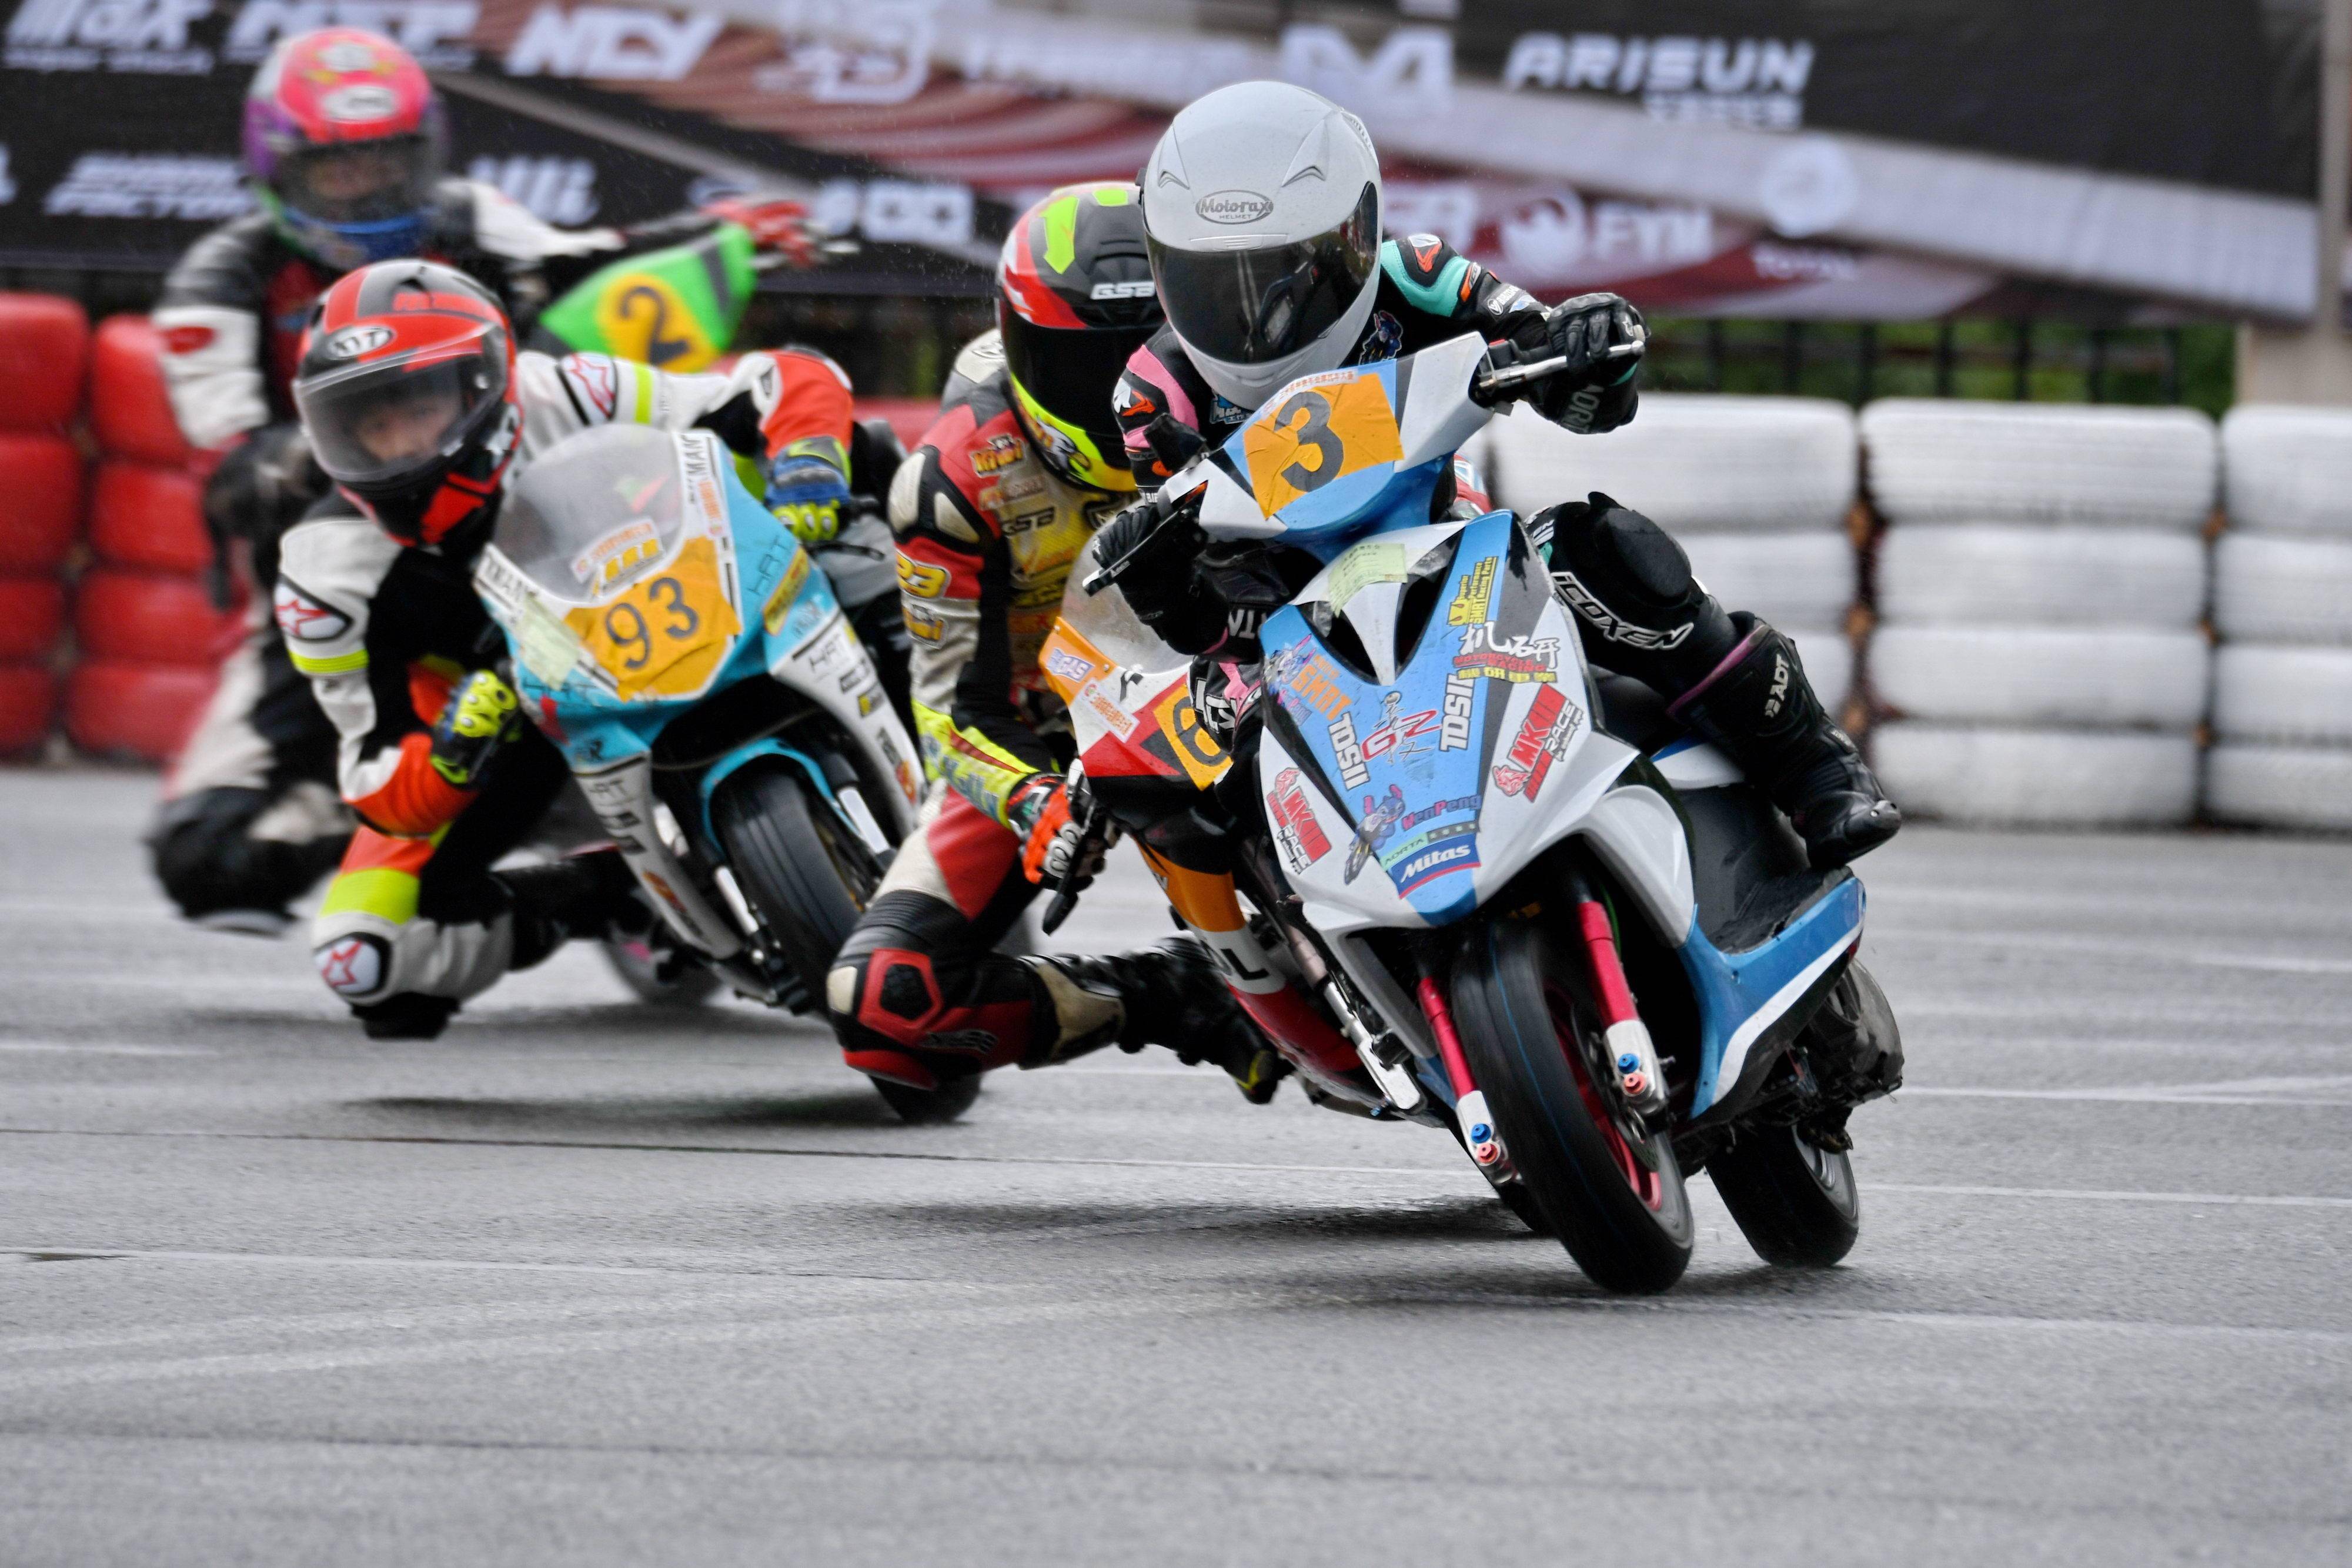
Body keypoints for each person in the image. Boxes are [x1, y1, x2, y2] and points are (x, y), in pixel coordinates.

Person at [1106, 81, 1899, 871]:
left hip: (1449, 554)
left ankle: (1817, 767)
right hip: (1288, 616)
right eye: (1211, 284)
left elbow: (1578, 387)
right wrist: (1166, 590)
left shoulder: (1418, 275)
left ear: (1352, 238)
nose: (1250, 316)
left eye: (1283, 277)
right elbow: (1210, 607)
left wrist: (1590, 345)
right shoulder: (1152, 396)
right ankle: (1289, 939)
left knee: (1609, 556)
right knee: (1218, 757)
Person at [148, 24, 825, 934]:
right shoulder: (220, 282)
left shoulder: (468, 217)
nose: (368, 189)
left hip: (527, 516)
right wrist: (356, 439)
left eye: (388, 163)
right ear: (278, 171)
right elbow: (230, 477)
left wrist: (716, 234)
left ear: (425, 155)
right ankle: (585, 889)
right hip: (353, 576)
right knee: (211, 859)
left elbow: (591, 260)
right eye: (338, 170)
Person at [280, 258, 877, 1039]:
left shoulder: (566, 392)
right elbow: (373, 777)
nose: (398, 447)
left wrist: (806, 467)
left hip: (692, 591)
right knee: (367, 957)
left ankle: (973, 695)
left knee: (872, 457)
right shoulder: (324, 575)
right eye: (369, 425)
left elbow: (784, 379)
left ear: (483, 385)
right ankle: (604, 896)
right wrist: (455, 750)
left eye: (418, 407)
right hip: (514, 718)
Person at [823, 183, 1286, 1102]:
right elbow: (949, 713)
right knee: (886, 1000)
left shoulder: (1255, 387)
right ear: (1019, 344)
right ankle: (1173, 995)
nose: (1121, 390)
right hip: (1069, 732)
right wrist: (1032, 799)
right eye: (1084, 364)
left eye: (1148, 348)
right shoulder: (954, 479)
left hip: (1262, 661)